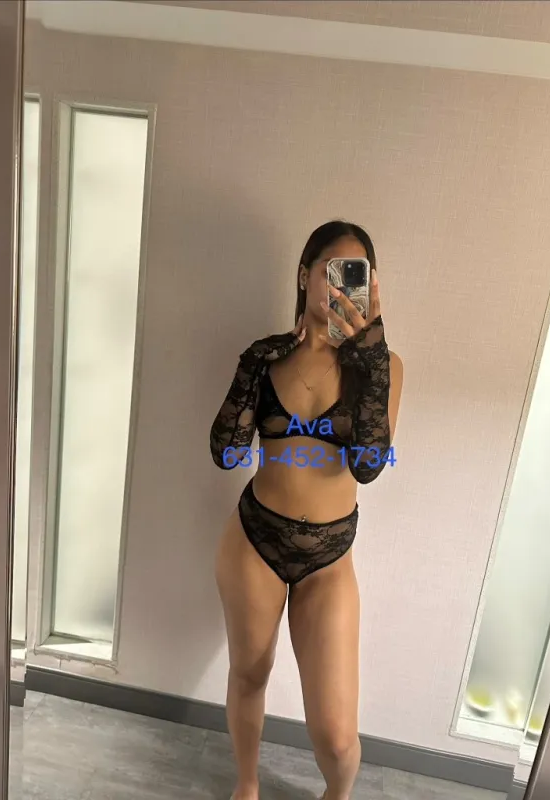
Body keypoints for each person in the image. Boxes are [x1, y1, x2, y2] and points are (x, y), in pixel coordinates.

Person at [209, 220, 403, 800]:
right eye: (332, 272)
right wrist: (251, 366)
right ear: (304, 275)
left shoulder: (384, 367)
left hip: (329, 556)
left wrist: (370, 356)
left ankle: (336, 795)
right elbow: (225, 453)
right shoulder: (268, 358)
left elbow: (368, 465)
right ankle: (247, 785)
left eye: (356, 276)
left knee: (338, 737)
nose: (341, 288)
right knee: (250, 673)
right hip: (255, 541)